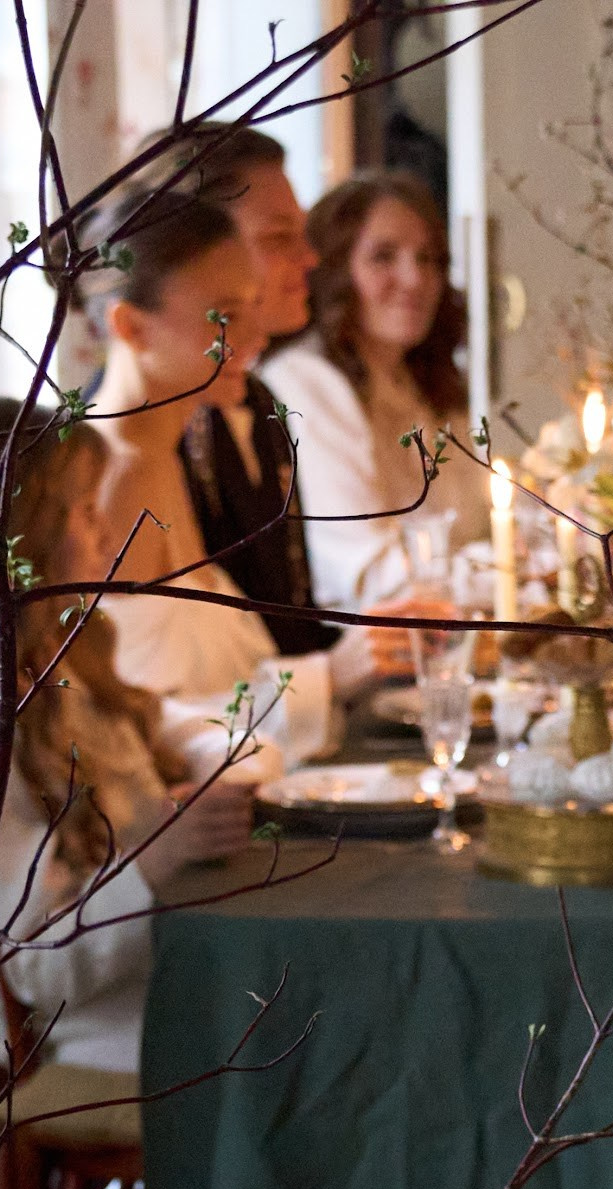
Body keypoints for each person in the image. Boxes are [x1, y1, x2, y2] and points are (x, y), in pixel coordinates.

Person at [0, 398, 253, 1090]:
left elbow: (156, 745)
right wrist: (156, 858)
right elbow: (36, 965)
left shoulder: (51, 655)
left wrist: (206, 773)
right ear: (18, 535)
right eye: (82, 511)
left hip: (158, 968)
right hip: (106, 1023)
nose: (105, 529)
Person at [67, 180, 358, 768]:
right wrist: (337, 676)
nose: (253, 339)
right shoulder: (111, 480)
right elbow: (130, 727)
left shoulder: (165, 456)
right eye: (225, 316)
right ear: (131, 326)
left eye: (252, 308)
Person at [142, 122, 338, 655]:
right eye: (279, 238)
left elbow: (286, 620)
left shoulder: (255, 399)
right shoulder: (144, 432)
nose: (310, 258)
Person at [260, 170, 484, 612]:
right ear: (335, 270)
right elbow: (367, 575)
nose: (415, 279)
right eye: (384, 257)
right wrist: (505, 571)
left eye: (429, 259)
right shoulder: (304, 381)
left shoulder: (426, 381)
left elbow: (479, 528)